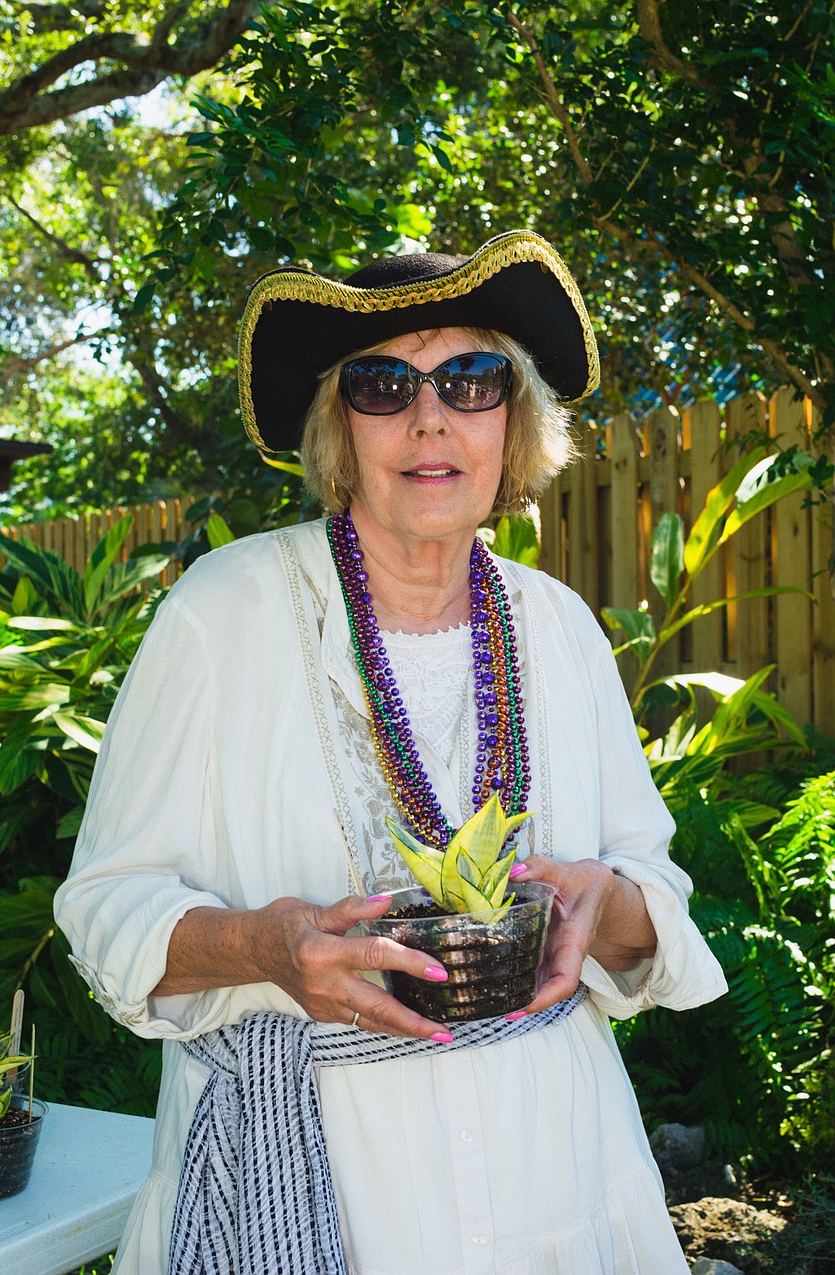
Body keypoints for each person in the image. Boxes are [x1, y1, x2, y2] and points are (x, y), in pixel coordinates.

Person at [54, 228, 727, 1275]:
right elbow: (105, 907)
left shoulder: (557, 625)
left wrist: (610, 906)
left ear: (513, 419)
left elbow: (654, 898)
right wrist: (262, 947)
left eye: (471, 379)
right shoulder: (220, 614)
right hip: (310, 1180)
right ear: (337, 425)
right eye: (382, 385)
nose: (429, 419)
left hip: (561, 1180)